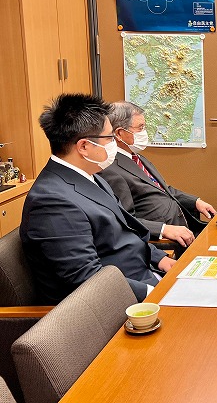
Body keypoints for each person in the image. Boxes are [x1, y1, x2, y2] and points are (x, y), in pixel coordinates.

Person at [20, 94, 176, 304]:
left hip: (143, 275)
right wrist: (154, 293)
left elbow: (127, 231)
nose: (114, 144)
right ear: (84, 146)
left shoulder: (91, 176)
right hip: (117, 302)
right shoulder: (52, 201)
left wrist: (160, 259)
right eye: (110, 138)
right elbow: (87, 278)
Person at [99, 101, 216, 248]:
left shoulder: (137, 157)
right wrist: (163, 230)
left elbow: (163, 189)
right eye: (140, 128)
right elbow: (124, 219)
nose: (145, 132)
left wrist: (195, 202)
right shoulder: (111, 170)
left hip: (184, 225)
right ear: (119, 133)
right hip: (164, 241)